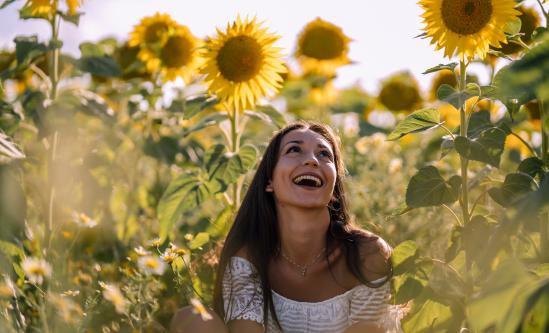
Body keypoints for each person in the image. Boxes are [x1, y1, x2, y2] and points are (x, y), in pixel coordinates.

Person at [170, 121, 402, 333]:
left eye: (324, 154)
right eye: (294, 149)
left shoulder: (366, 253)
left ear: (333, 190)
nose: (312, 160)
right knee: (192, 318)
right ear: (269, 181)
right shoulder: (248, 260)